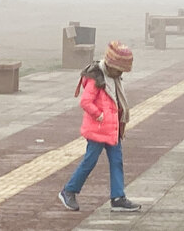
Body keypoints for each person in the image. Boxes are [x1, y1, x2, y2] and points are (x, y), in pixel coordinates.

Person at [58, 41, 141, 213]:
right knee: (89, 161)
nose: (120, 73)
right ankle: (68, 191)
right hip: (97, 129)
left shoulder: (114, 78)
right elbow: (85, 102)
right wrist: (99, 115)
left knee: (117, 162)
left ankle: (118, 197)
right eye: (118, 70)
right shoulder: (96, 77)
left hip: (112, 129)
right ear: (111, 64)